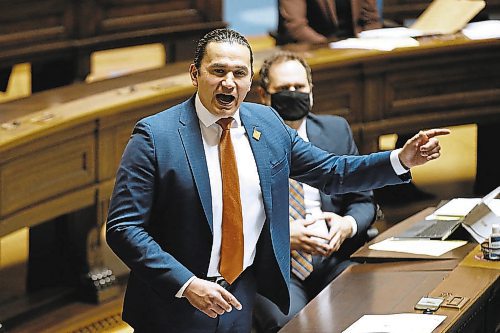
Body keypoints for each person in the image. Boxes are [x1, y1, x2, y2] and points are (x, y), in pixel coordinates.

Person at [106, 28, 449, 333]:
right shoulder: (155, 136)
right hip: (174, 306)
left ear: (250, 80)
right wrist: (186, 284)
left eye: (239, 73)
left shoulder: (266, 123)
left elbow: (332, 171)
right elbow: (124, 228)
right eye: (218, 71)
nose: (229, 82)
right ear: (195, 74)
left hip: (239, 296)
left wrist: (400, 160)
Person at [252, 51, 377, 332]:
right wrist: (282, 237)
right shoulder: (243, 143)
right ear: (263, 95)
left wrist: (347, 225)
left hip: (333, 258)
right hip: (276, 266)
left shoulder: (335, 130)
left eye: (299, 87)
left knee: (364, 310)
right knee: (294, 325)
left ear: (311, 90)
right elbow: (231, 223)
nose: (293, 94)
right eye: (283, 89)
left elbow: (363, 200)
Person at [275, 0, 382, 45]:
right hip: (317, 51)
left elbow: (371, 19)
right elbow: (296, 27)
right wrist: (330, 48)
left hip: (357, 49)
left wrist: (371, 44)